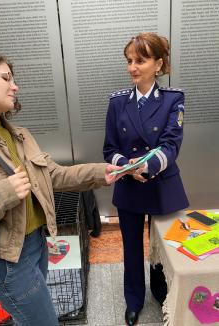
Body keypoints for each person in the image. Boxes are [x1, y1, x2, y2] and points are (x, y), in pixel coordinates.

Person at [0, 50, 125, 326]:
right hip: (9, 261)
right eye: (5, 77)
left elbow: (53, 175)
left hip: (37, 245)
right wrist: (4, 193)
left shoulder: (19, 134)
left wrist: (100, 172)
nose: (15, 86)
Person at [103, 32, 189, 325]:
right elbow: (110, 149)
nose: (132, 67)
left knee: (162, 244)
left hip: (160, 182)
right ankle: (133, 300)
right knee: (130, 245)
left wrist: (145, 166)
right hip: (129, 184)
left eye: (140, 60)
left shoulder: (172, 99)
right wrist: (126, 166)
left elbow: (171, 144)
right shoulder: (117, 103)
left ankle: (162, 291)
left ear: (159, 63)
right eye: (129, 61)